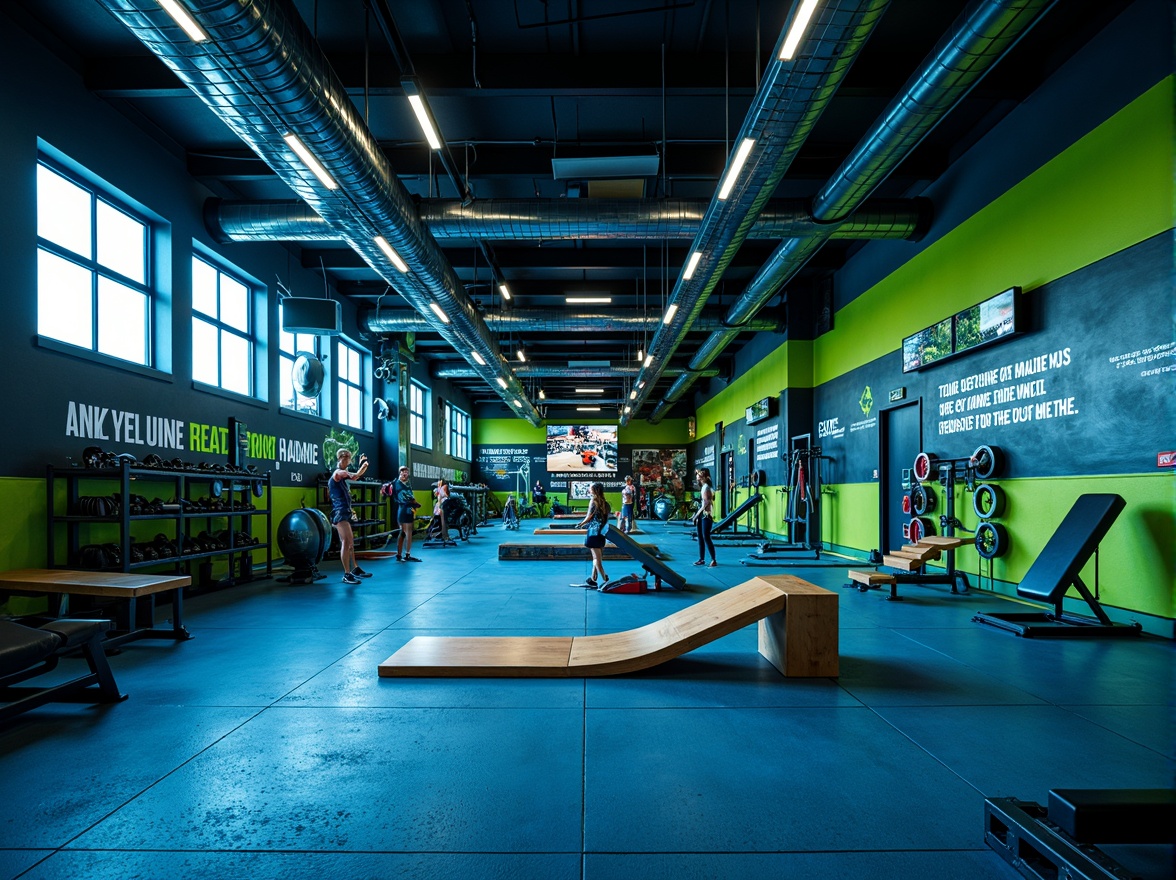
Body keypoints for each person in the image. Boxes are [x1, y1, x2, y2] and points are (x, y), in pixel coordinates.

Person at [330, 448, 370, 584]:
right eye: (344, 457)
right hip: (339, 513)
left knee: (350, 543)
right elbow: (354, 475)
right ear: (339, 458)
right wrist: (363, 466)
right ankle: (346, 573)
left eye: (349, 457)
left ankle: (354, 568)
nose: (347, 459)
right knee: (346, 542)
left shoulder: (343, 476)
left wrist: (362, 467)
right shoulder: (338, 473)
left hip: (345, 512)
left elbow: (356, 476)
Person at [577, 482, 611, 588]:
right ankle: (593, 579)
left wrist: (580, 524)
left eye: (590, 488)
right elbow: (606, 519)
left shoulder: (593, 501)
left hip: (593, 533)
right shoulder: (605, 503)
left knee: (597, 559)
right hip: (601, 533)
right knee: (596, 557)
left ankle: (605, 580)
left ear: (595, 490)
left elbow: (589, 517)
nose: (589, 490)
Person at [393, 465, 421, 562]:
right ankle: (407, 554)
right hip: (404, 509)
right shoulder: (398, 484)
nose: (405, 474)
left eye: (406, 472)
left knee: (403, 532)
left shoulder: (407, 484)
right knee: (408, 532)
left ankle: (399, 554)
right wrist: (416, 503)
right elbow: (409, 497)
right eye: (403, 472)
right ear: (400, 473)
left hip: (407, 509)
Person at [692, 468, 717, 567]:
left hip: (706, 515)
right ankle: (701, 559)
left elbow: (706, 504)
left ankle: (713, 559)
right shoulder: (703, 487)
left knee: (706, 537)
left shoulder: (706, 487)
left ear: (703, 476)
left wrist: (696, 515)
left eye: (698, 474)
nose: (697, 475)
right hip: (702, 515)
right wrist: (697, 515)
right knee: (700, 538)